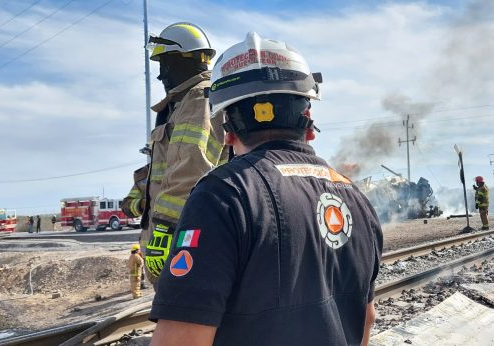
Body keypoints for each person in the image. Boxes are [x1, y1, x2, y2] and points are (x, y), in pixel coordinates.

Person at [149, 32, 383, 346]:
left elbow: (180, 341)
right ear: (308, 123)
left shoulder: (221, 196)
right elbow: (366, 319)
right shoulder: (357, 199)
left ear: (228, 130)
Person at [140, 22, 227, 284]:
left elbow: (189, 170)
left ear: (185, 59)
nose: (160, 75)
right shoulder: (183, 103)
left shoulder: (197, 99)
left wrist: (164, 230)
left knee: (181, 314)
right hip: (180, 232)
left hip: (181, 236)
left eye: (164, 64)